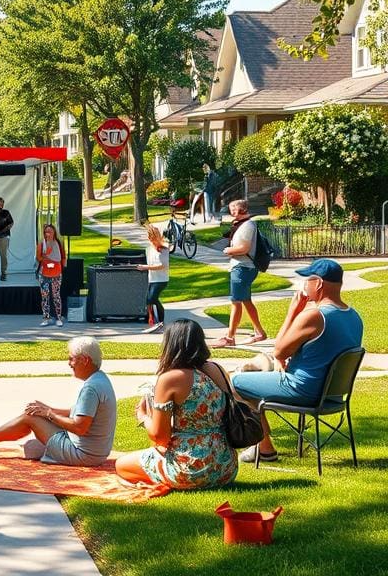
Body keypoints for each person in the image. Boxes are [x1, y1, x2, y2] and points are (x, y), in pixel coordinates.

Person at [233, 258, 364, 464]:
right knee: (257, 367)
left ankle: (264, 448)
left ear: (318, 284)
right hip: (334, 395)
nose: (303, 285)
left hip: (303, 390)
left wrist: (292, 312)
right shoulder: (354, 316)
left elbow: (279, 350)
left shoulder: (315, 315)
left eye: (307, 280)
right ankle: (260, 445)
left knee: (235, 382)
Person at [0, 336, 116, 467]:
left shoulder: (90, 389)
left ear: (85, 360)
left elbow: (80, 427)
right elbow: (77, 413)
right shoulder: (100, 379)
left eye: (72, 359)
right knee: (33, 432)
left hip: (84, 456)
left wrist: (49, 414)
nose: (69, 363)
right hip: (95, 453)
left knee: (30, 417)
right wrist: (47, 409)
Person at [115, 319, 238, 491]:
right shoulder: (215, 370)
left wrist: (143, 417)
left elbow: (160, 437)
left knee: (121, 465)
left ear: (171, 344)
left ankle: (163, 478)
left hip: (190, 469)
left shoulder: (170, 379)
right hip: (225, 467)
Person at [213, 199, 268, 347]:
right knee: (245, 301)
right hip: (242, 267)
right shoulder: (242, 225)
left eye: (234, 209)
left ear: (241, 210)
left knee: (236, 302)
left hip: (243, 267)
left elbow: (244, 248)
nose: (231, 212)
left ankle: (230, 338)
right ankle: (260, 333)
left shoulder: (247, 225)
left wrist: (228, 250)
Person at [138, 224, 170, 333]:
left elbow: (162, 265)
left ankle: (159, 322)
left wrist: (145, 267)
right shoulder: (149, 249)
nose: (151, 239)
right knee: (149, 300)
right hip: (152, 279)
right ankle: (153, 322)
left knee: (152, 299)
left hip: (161, 279)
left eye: (152, 237)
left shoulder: (164, 249)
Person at [37, 223, 67, 327]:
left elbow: (63, 256)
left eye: (50, 231)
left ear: (54, 232)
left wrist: (62, 267)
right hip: (44, 273)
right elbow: (38, 258)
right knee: (45, 296)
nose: (48, 233)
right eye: (46, 232)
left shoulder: (58, 243)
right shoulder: (42, 244)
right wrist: (46, 255)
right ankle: (46, 317)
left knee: (56, 296)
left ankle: (58, 318)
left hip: (56, 273)